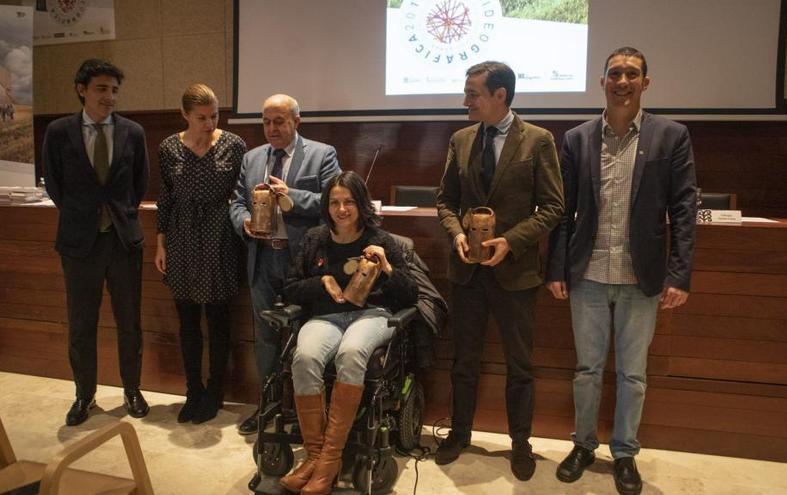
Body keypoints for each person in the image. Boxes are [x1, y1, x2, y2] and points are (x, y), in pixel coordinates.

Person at [546, 47, 697, 495]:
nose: (623, 80)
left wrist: (679, 274)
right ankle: (583, 445)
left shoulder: (671, 136)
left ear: (645, 83)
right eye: (615, 73)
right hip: (588, 273)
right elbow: (562, 210)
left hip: (642, 277)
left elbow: (684, 210)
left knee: (633, 373)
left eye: (632, 73)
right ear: (603, 82)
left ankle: (625, 453)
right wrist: (556, 267)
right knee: (587, 369)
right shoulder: (577, 139)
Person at [435, 61, 565, 480]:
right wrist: (456, 232)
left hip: (516, 273)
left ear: (500, 96)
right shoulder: (460, 139)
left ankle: (521, 444)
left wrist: (511, 241)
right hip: (467, 272)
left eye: (473, 93)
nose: (465, 101)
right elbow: (444, 201)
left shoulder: (538, 141)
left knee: (520, 365)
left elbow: (553, 207)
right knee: (464, 361)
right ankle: (459, 434)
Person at [281, 171, 418, 495]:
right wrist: (321, 283)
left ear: (361, 205)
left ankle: (329, 461)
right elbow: (289, 288)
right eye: (335, 202)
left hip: (371, 315)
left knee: (351, 352)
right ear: (327, 206)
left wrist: (386, 267)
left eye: (349, 202)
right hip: (326, 317)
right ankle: (316, 456)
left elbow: (410, 294)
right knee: (305, 357)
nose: (341, 209)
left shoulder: (382, 240)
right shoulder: (315, 239)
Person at [42, 59, 150, 426]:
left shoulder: (133, 132)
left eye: (114, 90)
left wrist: (117, 215)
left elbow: (139, 184)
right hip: (78, 244)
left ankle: (132, 389)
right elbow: (54, 185)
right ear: (82, 89)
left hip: (123, 242)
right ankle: (83, 395)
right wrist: (82, 216)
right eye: (102, 89)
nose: (110, 97)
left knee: (130, 323)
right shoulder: (59, 132)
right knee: (81, 325)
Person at [229, 94, 341, 434]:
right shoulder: (251, 159)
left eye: (279, 121)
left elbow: (334, 201)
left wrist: (291, 195)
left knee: (305, 340)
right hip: (262, 260)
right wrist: (244, 222)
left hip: (303, 265)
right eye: (266, 121)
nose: (272, 128)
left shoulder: (322, 154)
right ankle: (268, 407)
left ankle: (304, 415)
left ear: (296, 121)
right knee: (265, 338)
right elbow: (235, 202)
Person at [155, 84, 247, 424]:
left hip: (220, 234)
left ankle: (215, 392)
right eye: (201, 118)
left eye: (214, 116)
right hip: (181, 236)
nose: (209, 124)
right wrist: (160, 242)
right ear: (185, 115)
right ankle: (193, 390)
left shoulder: (234, 144)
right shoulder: (168, 147)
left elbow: (242, 195)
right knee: (188, 321)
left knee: (219, 320)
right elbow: (165, 196)